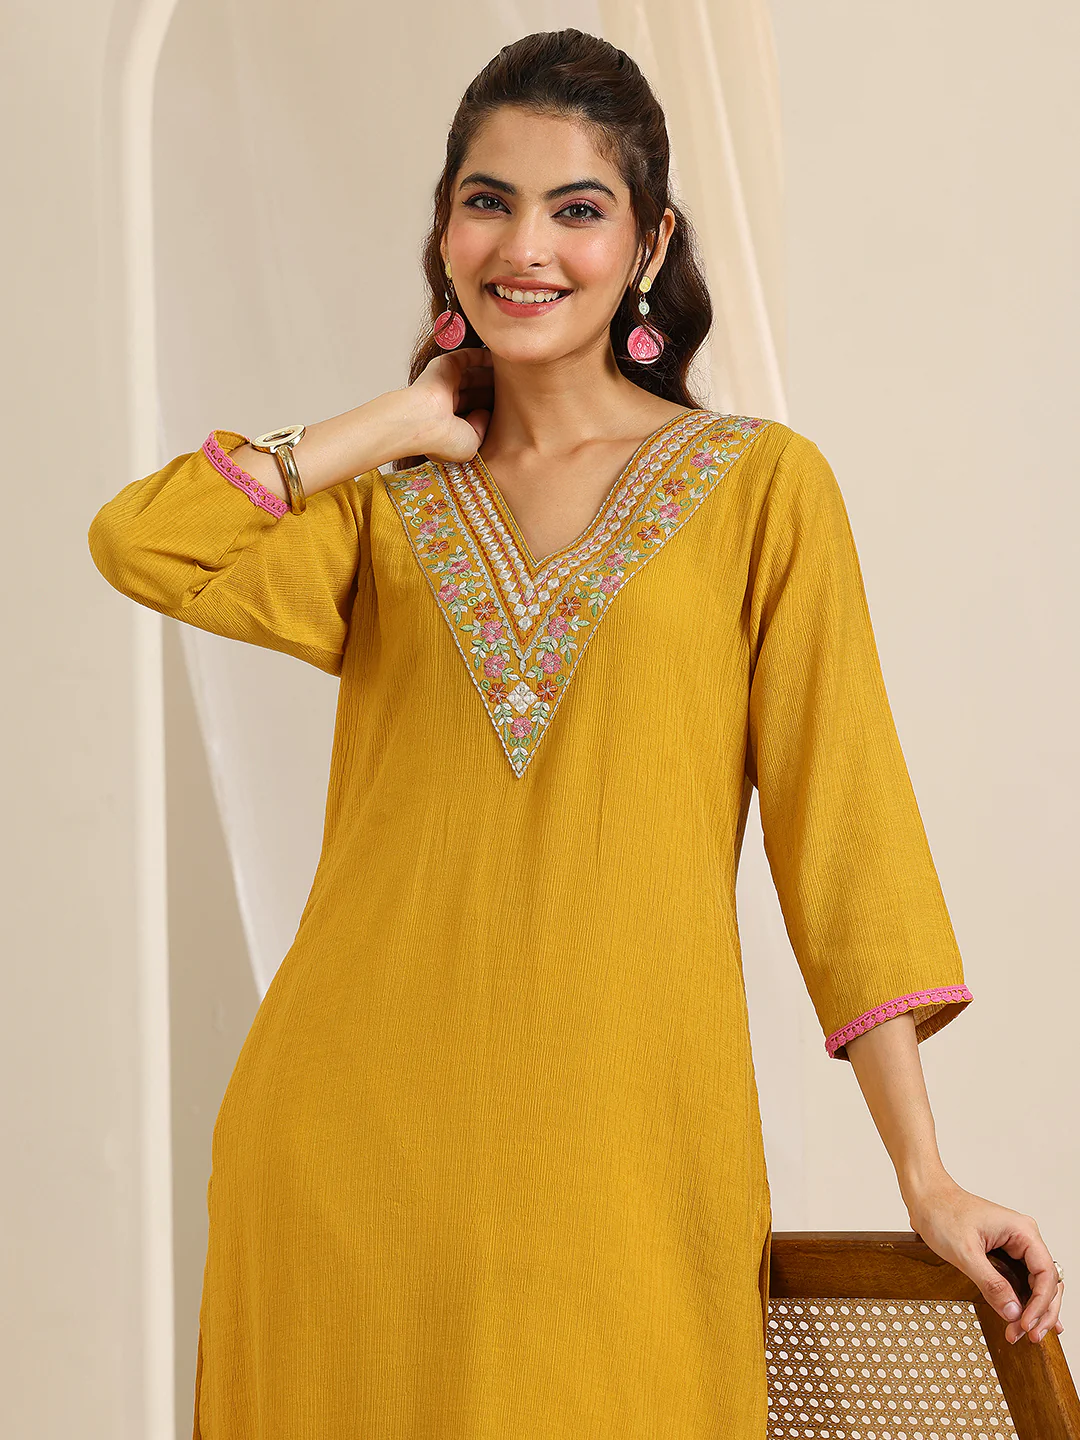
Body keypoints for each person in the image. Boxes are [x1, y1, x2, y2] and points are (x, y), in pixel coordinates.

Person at [87, 27, 1063, 1440]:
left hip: (625, 1169)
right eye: (487, 202)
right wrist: (394, 423)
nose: (526, 247)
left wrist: (926, 1177)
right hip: (348, 1161)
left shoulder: (759, 490)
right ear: (443, 230)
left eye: (577, 208)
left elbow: (846, 837)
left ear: (649, 243)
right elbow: (143, 542)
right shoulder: (387, 514)